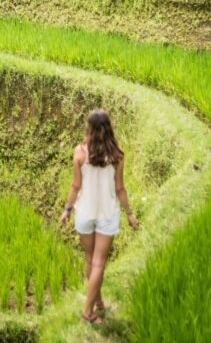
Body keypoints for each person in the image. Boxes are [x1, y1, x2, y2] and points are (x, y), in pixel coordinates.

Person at [60, 109, 138, 325]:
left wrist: (67, 210)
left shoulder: (79, 153)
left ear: (89, 128)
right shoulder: (117, 156)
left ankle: (99, 302)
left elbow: (76, 186)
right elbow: (120, 189)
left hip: (84, 214)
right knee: (99, 263)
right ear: (109, 128)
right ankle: (88, 313)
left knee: (90, 260)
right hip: (107, 215)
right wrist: (130, 214)